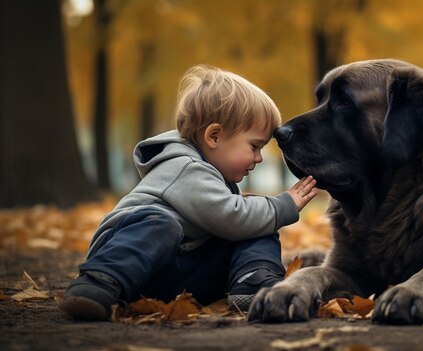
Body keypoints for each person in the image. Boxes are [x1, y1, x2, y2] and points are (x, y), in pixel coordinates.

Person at [59, 65, 318, 321]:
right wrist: (283, 206)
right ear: (214, 136)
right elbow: (231, 217)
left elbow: (239, 222)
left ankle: (253, 282)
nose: (259, 158)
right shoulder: (185, 167)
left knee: (257, 223)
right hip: (129, 261)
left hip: (172, 276)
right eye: (254, 146)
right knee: (166, 224)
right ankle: (98, 282)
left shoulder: (217, 178)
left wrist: (267, 214)